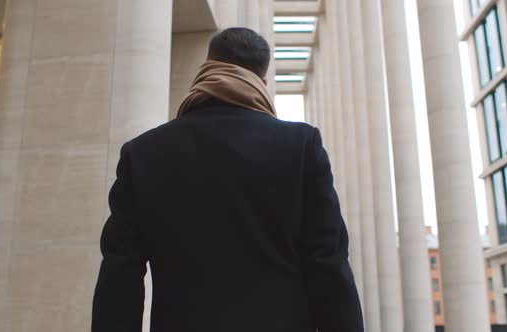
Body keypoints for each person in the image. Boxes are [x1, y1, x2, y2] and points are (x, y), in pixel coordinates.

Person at [92, 27, 363, 332]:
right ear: (262, 82)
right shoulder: (300, 147)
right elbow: (328, 265)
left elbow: (120, 274)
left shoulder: (142, 154)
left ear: (206, 69)